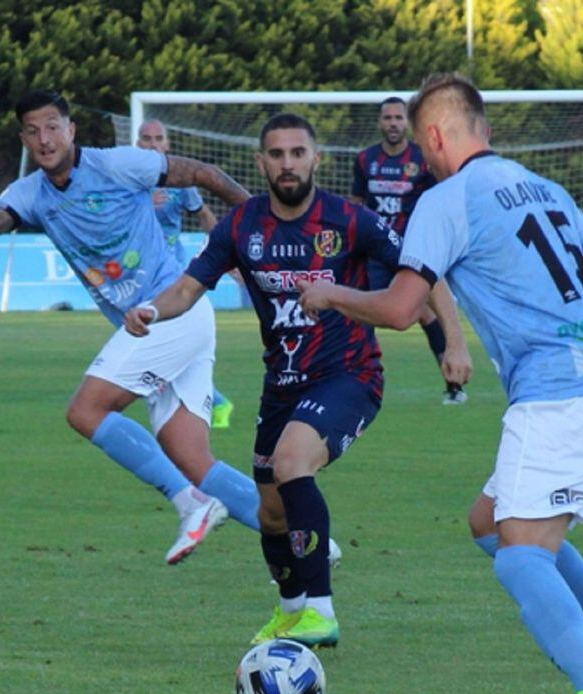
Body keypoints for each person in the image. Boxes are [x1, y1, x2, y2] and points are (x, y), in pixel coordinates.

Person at [298, 73, 583, 694]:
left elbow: (403, 308)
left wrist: (331, 293)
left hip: (557, 396)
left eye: (422, 147)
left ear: (435, 136)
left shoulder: (446, 199)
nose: (423, 158)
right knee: (489, 521)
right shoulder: (545, 187)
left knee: (520, 553)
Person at [125, 113, 471, 648]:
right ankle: (290, 612)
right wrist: (150, 309)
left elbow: (424, 271)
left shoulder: (348, 220)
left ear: (315, 158)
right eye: (277, 155)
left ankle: (321, 610)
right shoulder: (242, 226)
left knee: (292, 464)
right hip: (282, 383)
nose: (288, 164)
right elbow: (190, 288)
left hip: (348, 375)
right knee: (270, 512)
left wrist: (455, 340)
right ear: (262, 162)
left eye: (297, 153)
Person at [0, 90, 265, 565]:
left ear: (71, 129)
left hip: (169, 311)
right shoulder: (31, 194)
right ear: (24, 138)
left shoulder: (120, 164)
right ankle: (304, 540)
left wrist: (267, 225)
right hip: (166, 323)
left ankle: (192, 503)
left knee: (85, 411)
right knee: (193, 458)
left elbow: (205, 175)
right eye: (33, 131)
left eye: (52, 126)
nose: (44, 139)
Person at [352, 96, 468, 405]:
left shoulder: (421, 159)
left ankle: (454, 385)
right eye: (387, 118)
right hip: (376, 251)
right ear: (380, 122)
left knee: (428, 314)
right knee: (360, 311)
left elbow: (439, 200)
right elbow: (357, 206)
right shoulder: (365, 160)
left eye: (398, 118)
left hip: (414, 250)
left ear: (407, 123)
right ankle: (355, 378)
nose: (393, 123)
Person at [137, 118, 235, 429]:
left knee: (160, 338)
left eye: (158, 138)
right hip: (136, 273)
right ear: (137, 144)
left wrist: (228, 253)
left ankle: (206, 402)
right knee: (149, 338)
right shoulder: (128, 182)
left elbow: (203, 213)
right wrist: (141, 203)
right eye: (146, 138)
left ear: (167, 145)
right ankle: (212, 400)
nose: (152, 144)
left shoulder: (181, 183)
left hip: (173, 274)